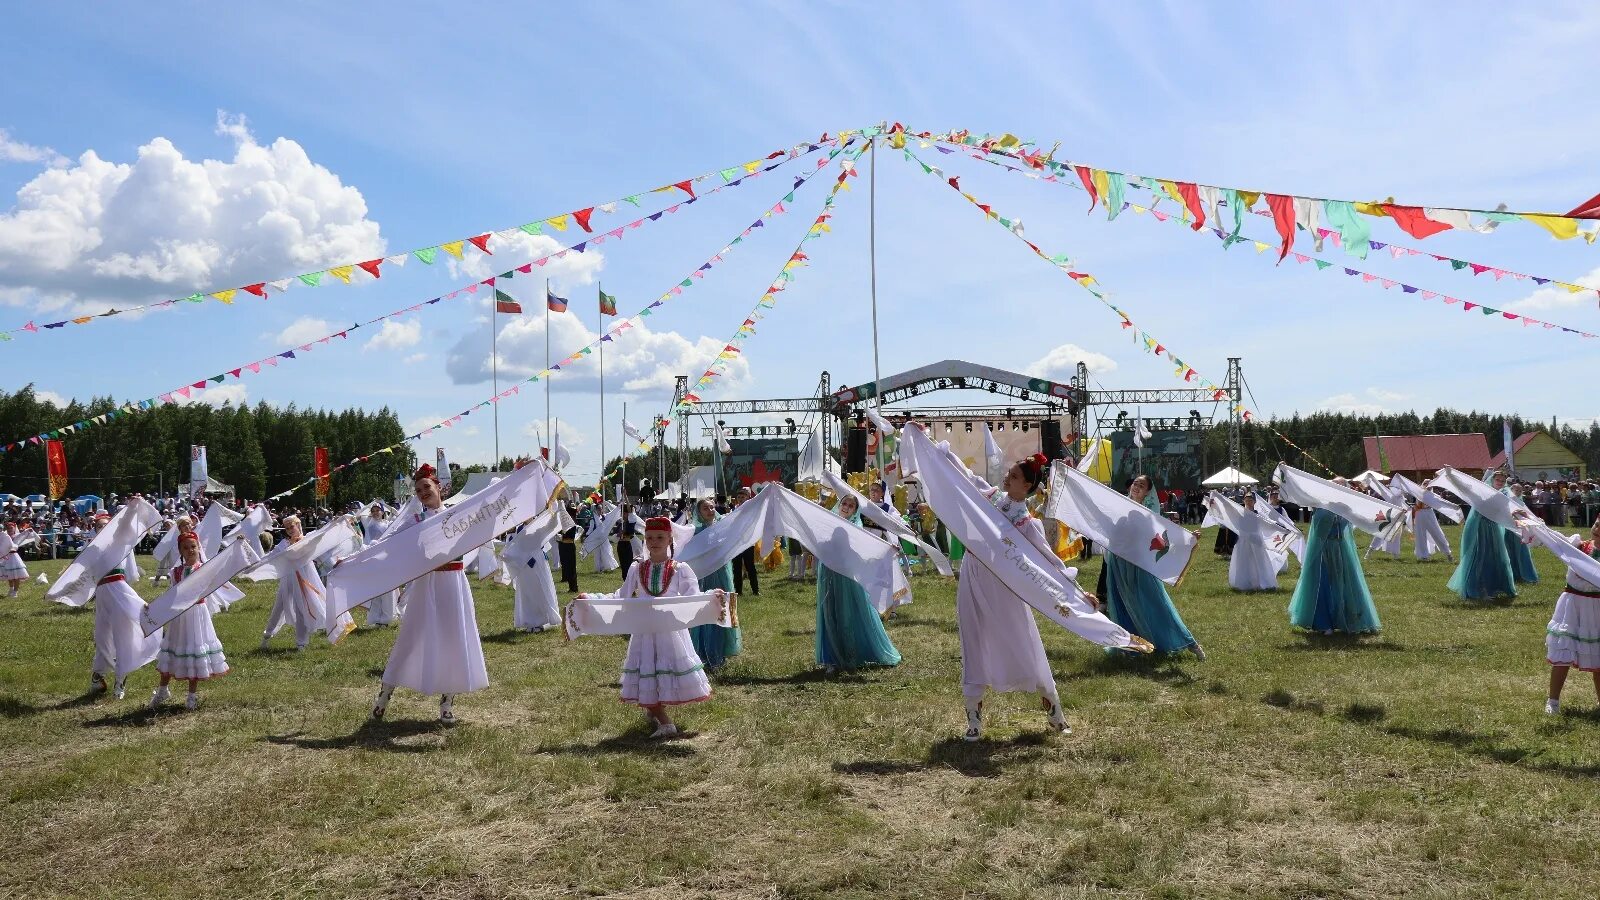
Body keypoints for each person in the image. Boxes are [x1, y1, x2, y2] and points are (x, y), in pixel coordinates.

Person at [949, 451, 1082, 740]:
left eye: (1015, 476)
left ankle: (1055, 711)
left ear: (1028, 486)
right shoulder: (992, 497)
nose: (1008, 478)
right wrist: (938, 450)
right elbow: (966, 477)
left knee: (1024, 641)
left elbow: (1049, 560)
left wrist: (1078, 592)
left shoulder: (1027, 524)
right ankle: (973, 719)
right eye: (1008, 474)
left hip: (1003, 585)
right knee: (972, 640)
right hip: (973, 576)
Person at [372, 464, 490, 724]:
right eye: (418, 490)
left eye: (427, 487)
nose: (423, 492)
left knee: (454, 641)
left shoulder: (459, 514)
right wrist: (348, 560)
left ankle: (447, 704)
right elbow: (384, 545)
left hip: (455, 584)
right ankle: (384, 696)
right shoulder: (415, 522)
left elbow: (493, 508)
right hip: (428, 584)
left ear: (439, 488)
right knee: (411, 638)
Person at [602, 517, 717, 738]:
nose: (654, 542)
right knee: (647, 667)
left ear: (669, 539)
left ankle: (661, 718)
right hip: (645, 631)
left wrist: (712, 597)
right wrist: (592, 598)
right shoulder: (637, 568)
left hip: (670, 631)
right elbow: (621, 595)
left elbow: (693, 598)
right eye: (649, 538)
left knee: (660, 668)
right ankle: (657, 714)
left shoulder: (680, 569)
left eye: (660, 537)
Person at [1098, 475, 1204, 657]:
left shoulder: (1147, 514)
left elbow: (1163, 538)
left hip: (1139, 566)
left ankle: (1189, 642)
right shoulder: (1119, 506)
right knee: (1122, 603)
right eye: (1135, 483)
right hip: (1118, 564)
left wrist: (1188, 539)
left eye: (1142, 485)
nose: (1136, 487)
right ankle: (1131, 646)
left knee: (1155, 603)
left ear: (1147, 492)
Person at [815, 495, 902, 672]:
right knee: (830, 613)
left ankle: (851, 655)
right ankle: (832, 658)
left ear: (855, 510)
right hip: (829, 573)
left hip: (847, 577)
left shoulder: (856, 528)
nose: (846, 507)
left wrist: (887, 549)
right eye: (844, 503)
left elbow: (865, 548)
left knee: (849, 613)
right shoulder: (828, 520)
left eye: (851, 506)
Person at [1289, 481, 1383, 635]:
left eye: (1343, 487)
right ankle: (1324, 623)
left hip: (1341, 549)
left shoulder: (1346, 508)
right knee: (1325, 584)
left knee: (1346, 583)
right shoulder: (1321, 506)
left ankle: (1351, 619)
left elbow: (1365, 518)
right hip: (1324, 550)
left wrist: (1391, 517)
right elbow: (1317, 530)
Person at [150, 532, 228, 710]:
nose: (190, 550)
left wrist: (238, 547)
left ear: (198, 547)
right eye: (186, 548)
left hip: (197, 616)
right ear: (180, 551)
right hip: (179, 618)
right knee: (172, 650)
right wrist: (155, 608)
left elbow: (225, 567)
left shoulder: (205, 568)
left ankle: (191, 695)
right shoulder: (175, 572)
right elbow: (170, 596)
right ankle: (163, 690)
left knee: (194, 649)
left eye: (193, 546)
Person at [259, 515, 348, 650]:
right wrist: (251, 562)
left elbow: (324, 533)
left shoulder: (308, 539)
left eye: (292, 526)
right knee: (278, 607)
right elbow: (269, 558)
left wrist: (336, 521)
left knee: (302, 609)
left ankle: (301, 642)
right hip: (289, 580)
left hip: (307, 578)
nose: (290, 530)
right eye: (287, 528)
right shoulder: (284, 544)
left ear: (298, 525)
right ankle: (267, 636)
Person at [1544, 516, 1600, 715]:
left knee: (1598, 658)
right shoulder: (1578, 545)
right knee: (1563, 652)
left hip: (1596, 609)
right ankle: (1553, 701)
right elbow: (1551, 538)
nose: (1597, 529)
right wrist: (1531, 522)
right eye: (1596, 524)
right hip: (1572, 605)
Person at [1448, 469, 1519, 602]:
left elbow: (1509, 509)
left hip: (1494, 529)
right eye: (1498, 480)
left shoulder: (1504, 495)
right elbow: (1464, 488)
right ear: (1492, 479)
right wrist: (1450, 473)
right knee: (1481, 557)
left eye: (1503, 481)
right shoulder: (1482, 491)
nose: (1500, 483)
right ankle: (1481, 590)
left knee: (1498, 557)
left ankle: (1498, 587)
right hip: (1480, 529)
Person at [690, 498, 742, 669]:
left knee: (724, 607)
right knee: (707, 611)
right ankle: (704, 652)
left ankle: (722, 650)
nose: (710, 510)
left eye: (712, 507)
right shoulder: (695, 532)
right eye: (706, 508)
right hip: (705, 576)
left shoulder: (722, 527)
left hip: (722, 574)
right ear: (699, 512)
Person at [359, 503, 402, 626]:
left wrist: (386, 505)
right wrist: (369, 504)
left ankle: (387, 619)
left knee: (387, 591)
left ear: (383, 512)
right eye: (373, 510)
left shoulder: (388, 524)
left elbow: (398, 515)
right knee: (374, 591)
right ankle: (374, 619)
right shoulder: (368, 522)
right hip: (371, 559)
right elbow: (359, 514)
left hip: (385, 559)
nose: (376, 512)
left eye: (378, 510)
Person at [1411, 481, 1455, 563]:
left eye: (1429, 485)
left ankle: (1448, 553)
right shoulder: (1419, 493)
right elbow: (1418, 502)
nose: (1428, 486)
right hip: (1420, 514)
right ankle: (1423, 556)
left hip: (1429, 513)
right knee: (1420, 535)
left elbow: (1439, 502)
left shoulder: (1432, 496)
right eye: (1426, 484)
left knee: (1437, 533)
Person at [1507, 483, 1541, 585]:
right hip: (1509, 528)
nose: (1517, 492)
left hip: (1520, 529)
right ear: (1511, 489)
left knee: (1521, 550)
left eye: (1519, 490)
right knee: (1509, 550)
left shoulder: (1520, 502)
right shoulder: (1506, 499)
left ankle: (1524, 573)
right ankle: (1512, 573)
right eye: (1516, 490)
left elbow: (1527, 513)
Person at [557, 504, 580, 594]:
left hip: (569, 546)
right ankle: (570, 585)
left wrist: (562, 537)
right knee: (566, 566)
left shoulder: (572, 524)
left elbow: (570, 537)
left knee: (571, 567)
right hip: (563, 546)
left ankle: (574, 587)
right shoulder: (563, 524)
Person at [1, 522, 28, 597]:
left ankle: (15, 591)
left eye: (11, 528)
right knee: (9, 574)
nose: (9, 529)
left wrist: (28, 530)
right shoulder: (4, 536)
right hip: (6, 557)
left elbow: (23, 535)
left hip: (14, 557)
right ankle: (11, 588)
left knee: (16, 574)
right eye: (8, 528)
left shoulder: (17, 535)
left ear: (14, 528)